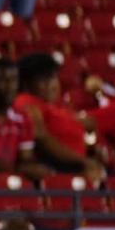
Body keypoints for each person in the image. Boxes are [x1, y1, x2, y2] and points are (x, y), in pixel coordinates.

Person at [13, 52, 101, 183]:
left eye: (53, 78)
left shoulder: (55, 106)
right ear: (27, 83)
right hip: (57, 169)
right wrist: (82, 161)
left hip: (74, 167)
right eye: (43, 80)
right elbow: (41, 138)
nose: (51, 85)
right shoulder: (26, 102)